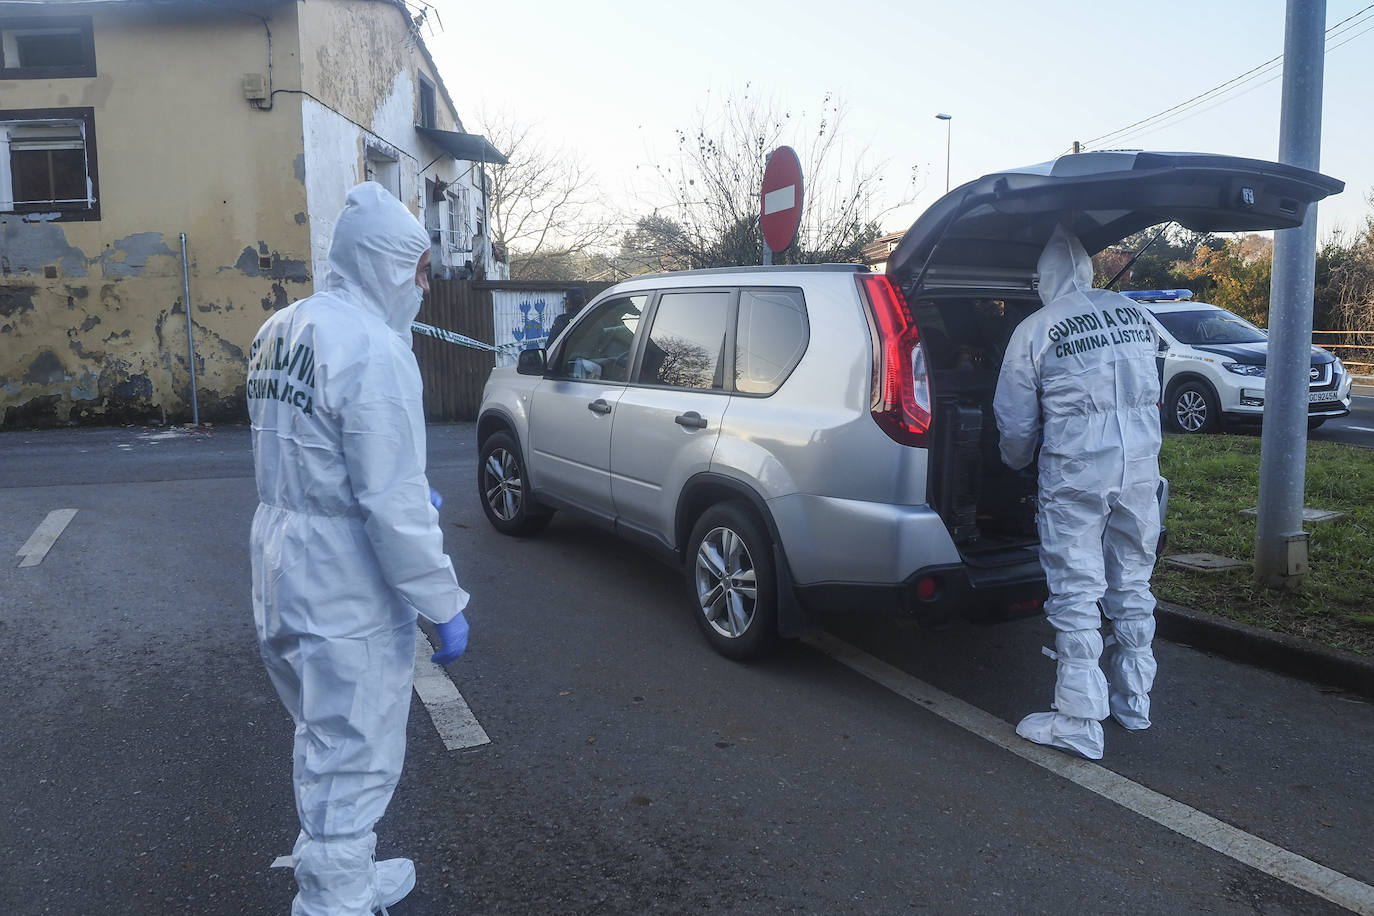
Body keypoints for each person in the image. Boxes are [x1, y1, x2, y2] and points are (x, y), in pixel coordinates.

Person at [248, 181, 471, 914]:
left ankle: (340, 871)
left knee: (322, 735)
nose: (425, 285)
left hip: (282, 561)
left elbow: (308, 450)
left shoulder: (281, 329)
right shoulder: (375, 352)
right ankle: (333, 901)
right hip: (345, 585)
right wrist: (441, 601)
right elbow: (393, 506)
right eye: (419, 268)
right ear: (385, 263)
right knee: (354, 755)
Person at [993, 222, 1162, 761]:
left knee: (1076, 590)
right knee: (1132, 582)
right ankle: (1134, 702)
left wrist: (1013, 465)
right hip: (1138, 468)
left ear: (1043, 278)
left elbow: (1016, 425)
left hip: (1076, 474)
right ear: (1089, 269)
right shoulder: (1136, 314)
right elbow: (1154, 386)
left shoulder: (1036, 329)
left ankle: (1079, 720)